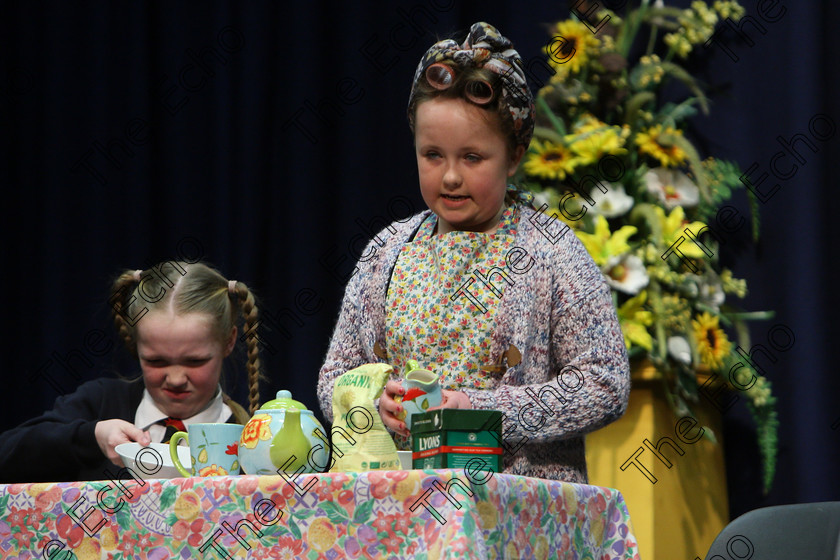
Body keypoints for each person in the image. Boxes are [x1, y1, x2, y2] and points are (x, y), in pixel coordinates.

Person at [317, 22, 630, 482]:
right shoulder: (385, 252)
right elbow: (334, 377)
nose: (449, 177)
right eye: (432, 155)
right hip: (405, 510)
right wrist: (370, 400)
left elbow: (605, 383)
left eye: (472, 158)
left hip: (516, 515)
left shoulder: (552, 252)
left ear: (515, 154)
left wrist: (481, 409)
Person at [0, 261, 262, 482]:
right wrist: (91, 437)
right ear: (136, 345)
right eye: (156, 361)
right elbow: (8, 455)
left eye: (195, 361)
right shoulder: (101, 403)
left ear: (229, 341)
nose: (175, 379)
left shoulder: (251, 438)